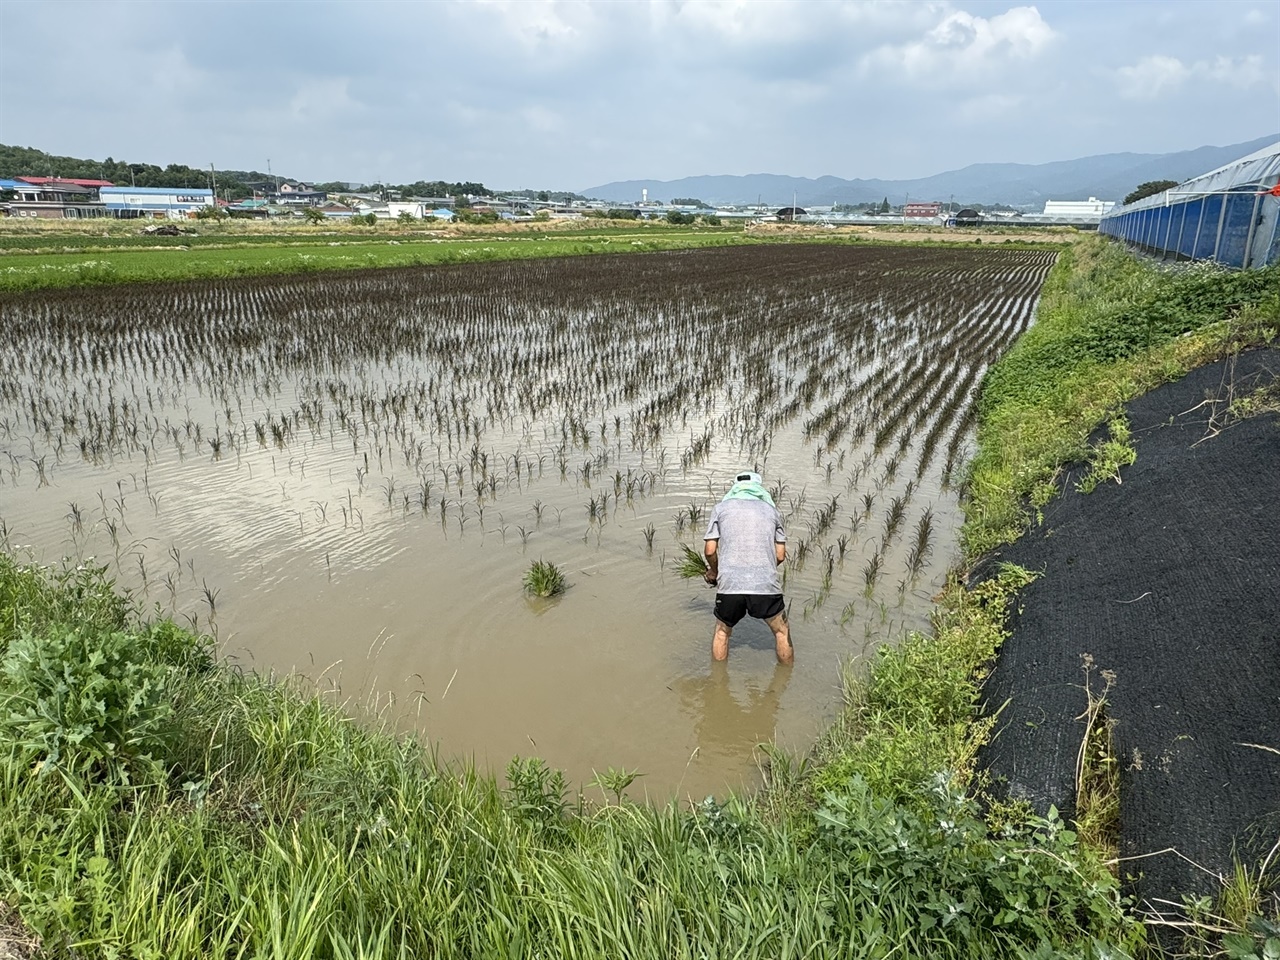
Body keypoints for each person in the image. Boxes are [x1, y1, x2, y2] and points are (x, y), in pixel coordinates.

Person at [701, 471, 793, 664]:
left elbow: (709, 550)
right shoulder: (773, 512)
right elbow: (780, 555)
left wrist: (715, 572)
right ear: (760, 489)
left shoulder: (720, 509)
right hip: (765, 586)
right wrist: (762, 570)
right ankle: (785, 679)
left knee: (722, 632)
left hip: (730, 586)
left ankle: (718, 685)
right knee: (781, 632)